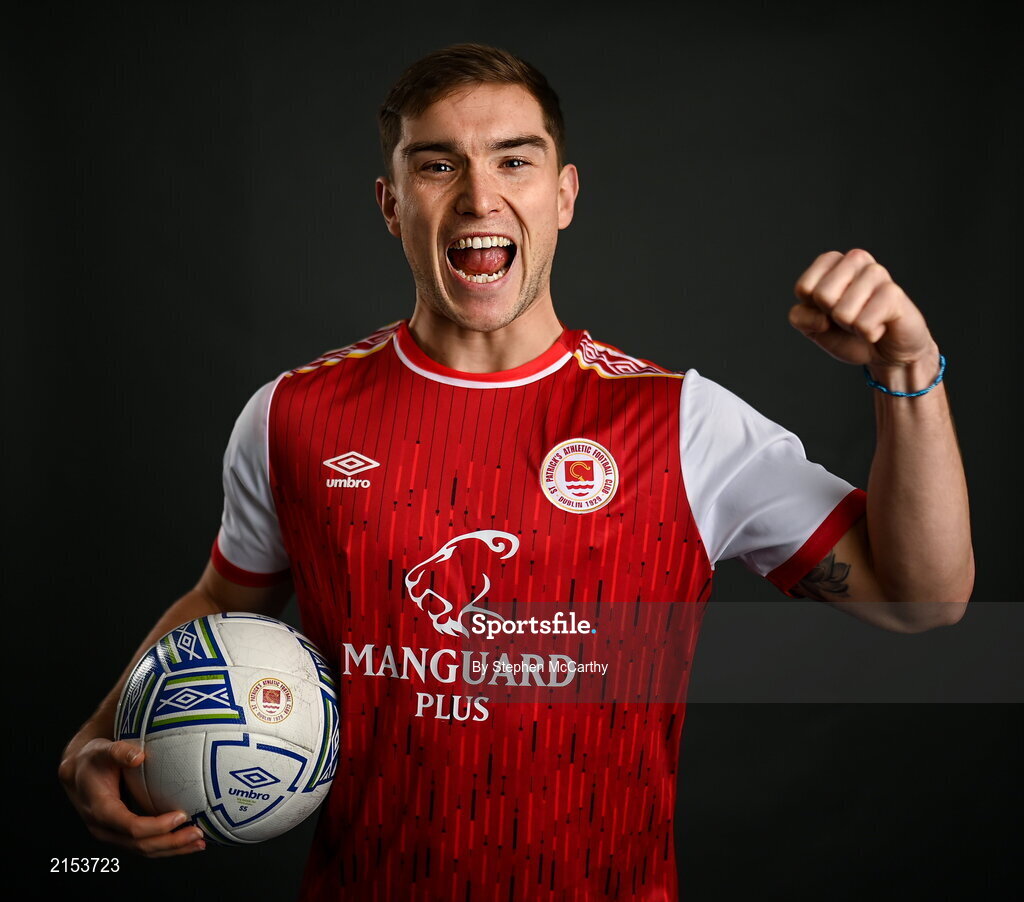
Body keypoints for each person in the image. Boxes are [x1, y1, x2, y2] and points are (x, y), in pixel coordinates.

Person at [59, 43, 974, 900]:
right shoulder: (292, 416)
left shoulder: (681, 423)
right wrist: (101, 736)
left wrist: (908, 372)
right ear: (391, 203)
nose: (478, 198)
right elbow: (223, 602)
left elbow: (920, 602)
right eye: (437, 163)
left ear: (564, 195)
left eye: (513, 159)